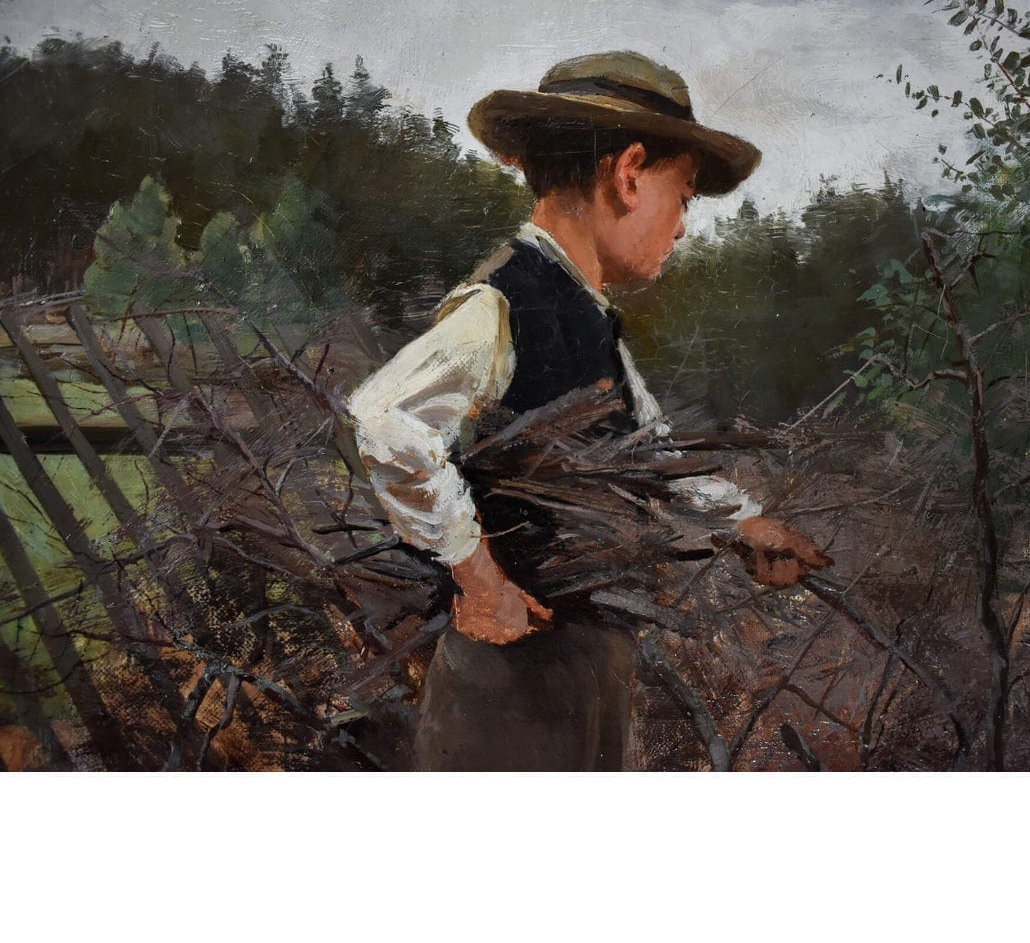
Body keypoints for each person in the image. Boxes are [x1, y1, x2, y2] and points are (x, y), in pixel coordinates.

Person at [347, 50, 832, 770]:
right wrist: (480, 580)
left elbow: (649, 460)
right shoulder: (501, 302)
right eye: (686, 197)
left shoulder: (589, 318)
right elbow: (386, 419)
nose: (683, 227)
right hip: (509, 680)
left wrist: (741, 524)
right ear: (629, 173)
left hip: (584, 670)